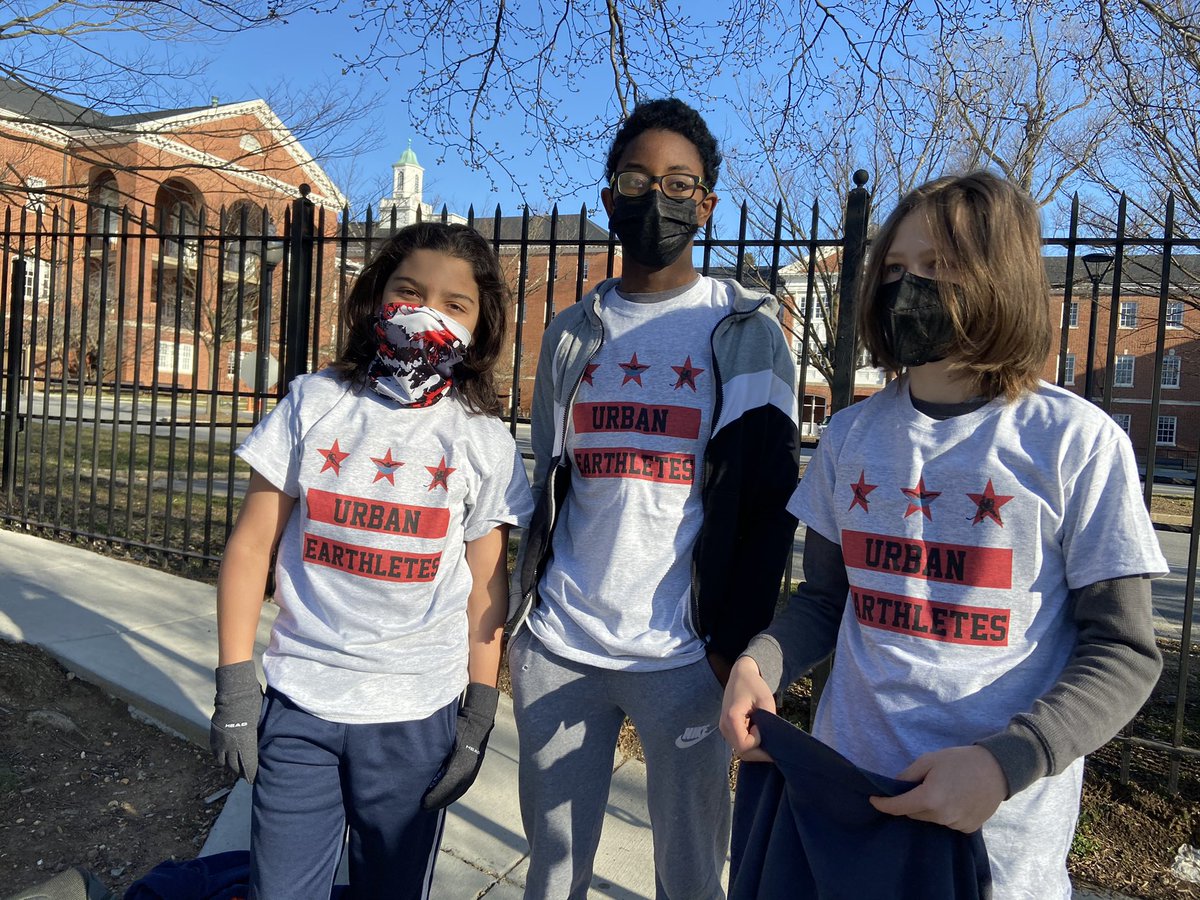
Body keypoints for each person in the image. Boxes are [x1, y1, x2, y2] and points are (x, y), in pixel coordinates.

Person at [720, 171, 1168, 899]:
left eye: (940, 268)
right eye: (894, 269)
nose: (908, 288)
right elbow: (827, 601)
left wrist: (1005, 763)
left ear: (1003, 280)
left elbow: (1123, 649)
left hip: (997, 837)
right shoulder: (848, 436)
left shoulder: (1076, 442)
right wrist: (759, 663)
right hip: (848, 806)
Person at [508, 98, 800, 899]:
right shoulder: (572, 331)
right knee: (554, 870)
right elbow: (551, 479)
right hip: (560, 644)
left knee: (692, 874)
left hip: (685, 660)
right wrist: (522, 623)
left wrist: (731, 644)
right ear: (609, 198)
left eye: (680, 183)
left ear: (706, 205)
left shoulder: (744, 333)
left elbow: (772, 502)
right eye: (638, 178)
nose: (658, 197)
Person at [208, 222, 533, 899]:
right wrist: (237, 688)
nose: (426, 313)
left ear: (481, 323)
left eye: (454, 304)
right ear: (376, 296)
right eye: (409, 291)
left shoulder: (482, 441)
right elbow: (250, 547)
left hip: (419, 715)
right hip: (301, 703)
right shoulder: (314, 402)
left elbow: (485, 589)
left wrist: (477, 714)